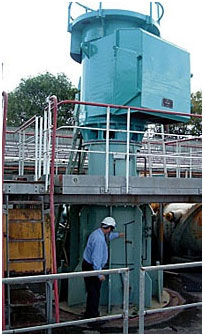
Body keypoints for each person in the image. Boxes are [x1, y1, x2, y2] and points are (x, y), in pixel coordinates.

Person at [82, 216, 124, 319]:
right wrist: (99, 274)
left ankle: (89, 313)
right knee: (94, 293)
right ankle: (93, 317)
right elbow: (96, 258)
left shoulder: (98, 233)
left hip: (88, 265)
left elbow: (108, 237)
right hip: (92, 267)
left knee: (91, 292)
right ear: (109, 228)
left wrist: (118, 235)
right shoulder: (99, 240)